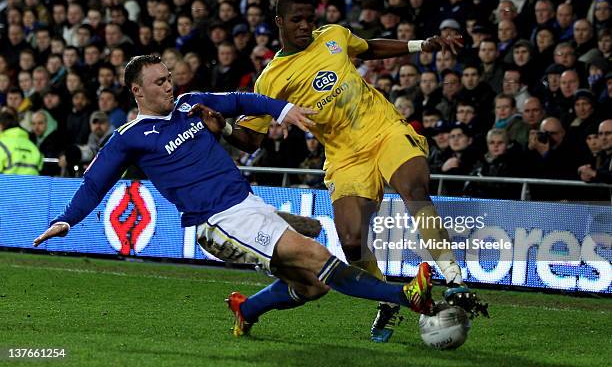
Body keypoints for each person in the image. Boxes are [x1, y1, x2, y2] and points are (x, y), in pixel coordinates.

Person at [33, 55, 437, 340]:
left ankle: (246, 310)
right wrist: (67, 219)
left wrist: (283, 110)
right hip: (217, 222)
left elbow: (243, 100)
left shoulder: (191, 105)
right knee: (315, 253)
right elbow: (95, 184)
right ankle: (405, 296)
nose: (170, 84)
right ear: (137, 91)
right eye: (159, 82)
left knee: (315, 286)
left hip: (247, 205)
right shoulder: (129, 139)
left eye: (169, 76)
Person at [228, 0, 487, 343]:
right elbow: (250, 139)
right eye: (296, 20)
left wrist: (419, 45)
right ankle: (389, 299)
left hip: (384, 130)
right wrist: (223, 126)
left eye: (309, 19)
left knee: (414, 188)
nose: (305, 26)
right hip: (343, 155)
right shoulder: (271, 79)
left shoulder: (333, 35)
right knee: (352, 242)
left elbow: (369, 47)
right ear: (279, 23)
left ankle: (454, 279)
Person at [0, 110, 42, 175]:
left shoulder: (1, 144)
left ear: (1, 126)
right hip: (32, 184)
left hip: (7, 184)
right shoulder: (31, 144)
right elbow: (40, 166)